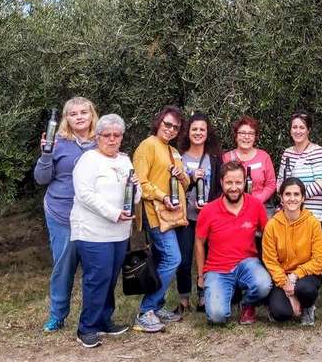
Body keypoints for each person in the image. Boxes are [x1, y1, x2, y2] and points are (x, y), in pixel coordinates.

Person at [69, 114, 140, 348]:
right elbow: (84, 195)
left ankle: (104, 320)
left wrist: (136, 188)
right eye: (107, 135)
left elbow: (135, 196)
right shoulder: (88, 160)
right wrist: (113, 213)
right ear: (97, 137)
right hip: (93, 231)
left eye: (116, 135)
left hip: (119, 232)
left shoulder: (125, 160)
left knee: (110, 278)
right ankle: (86, 328)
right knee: (97, 278)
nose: (112, 139)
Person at [34, 96, 99, 333]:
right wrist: (46, 154)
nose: (79, 117)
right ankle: (57, 315)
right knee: (63, 267)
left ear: (92, 115)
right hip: (61, 213)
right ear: (66, 119)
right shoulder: (57, 142)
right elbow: (41, 179)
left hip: (94, 215)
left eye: (84, 112)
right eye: (73, 114)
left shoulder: (102, 141)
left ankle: (94, 316)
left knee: (95, 268)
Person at [132, 105, 189, 332]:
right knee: (173, 258)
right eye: (168, 124)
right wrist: (162, 196)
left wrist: (182, 175)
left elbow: (186, 185)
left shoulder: (172, 151)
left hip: (171, 214)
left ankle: (156, 307)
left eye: (176, 127)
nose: (171, 129)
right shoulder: (147, 146)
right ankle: (146, 310)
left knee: (160, 260)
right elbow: (140, 182)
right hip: (154, 213)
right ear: (158, 122)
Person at [195, 161, 272, 325]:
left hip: (247, 264)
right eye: (229, 182)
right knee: (217, 317)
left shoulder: (256, 205)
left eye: (238, 182)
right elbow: (199, 243)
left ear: (245, 182)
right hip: (217, 269)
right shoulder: (208, 210)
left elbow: (268, 235)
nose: (234, 187)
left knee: (264, 285)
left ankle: (247, 304)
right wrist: (201, 276)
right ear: (221, 182)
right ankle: (226, 296)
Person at [174, 111, 223, 314]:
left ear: (207, 132)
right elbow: (174, 187)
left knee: (209, 257)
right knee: (184, 259)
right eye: (194, 129)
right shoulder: (178, 157)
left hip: (209, 217)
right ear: (188, 132)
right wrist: (191, 180)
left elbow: (220, 188)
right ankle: (184, 299)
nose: (198, 132)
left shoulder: (215, 159)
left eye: (202, 129)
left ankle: (204, 296)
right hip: (185, 217)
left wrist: (211, 205)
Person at [262, 177, 322, 325]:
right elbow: (270, 261)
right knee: (281, 314)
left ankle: (308, 306)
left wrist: (295, 276)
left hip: (307, 275)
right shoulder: (272, 225)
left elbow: (319, 260)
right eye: (288, 194)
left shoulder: (313, 223)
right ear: (281, 198)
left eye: (296, 194)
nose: (292, 198)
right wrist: (286, 284)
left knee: (306, 289)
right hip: (282, 276)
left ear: (303, 198)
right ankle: (284, 302)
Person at [277, 111, 322, 222]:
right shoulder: (287, 153)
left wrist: (297, 197)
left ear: (308, 130)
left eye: (302, 127)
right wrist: (287, 200)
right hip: (290, 214)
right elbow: (280, 182)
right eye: (294, 127)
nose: (298, 131)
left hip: (313, 215)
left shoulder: (318, 152)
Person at [223, 116, 276, 217]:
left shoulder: (263, 156)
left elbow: (271, 183)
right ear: (236, 135)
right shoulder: (227, 158)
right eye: (242, 133)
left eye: (251, 133)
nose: (246, 137)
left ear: (255, 137)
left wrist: (258, 200)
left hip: (260, 207)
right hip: (233, 209)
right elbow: (221, 184)